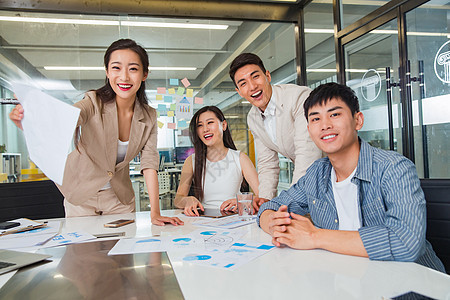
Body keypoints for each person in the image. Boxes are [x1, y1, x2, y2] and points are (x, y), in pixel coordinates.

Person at [257, 82, 445, 272]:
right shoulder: (316, 174)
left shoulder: (393, 168)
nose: (325, 125)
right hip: (345, 281)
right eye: (315, 119)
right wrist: (274, 225)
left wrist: (315, 236)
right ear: (309, 130)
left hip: (410, 286)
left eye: (335, 114)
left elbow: (406, 242)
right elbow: (269, 207)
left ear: (358, 120)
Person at [9, 39, 183, 226]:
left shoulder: (149, 115)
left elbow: (149, 162)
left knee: (121, 253)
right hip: (81, 195)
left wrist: (155, 212)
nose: (124, 77)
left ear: (144, 74)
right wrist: (29, 121)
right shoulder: (93, 101)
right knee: (83, 254)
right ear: (107, 72)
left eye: (133, 69)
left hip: (119, 199)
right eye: (116, 68)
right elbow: (67, 120)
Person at [229, 53, 322, 211]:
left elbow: (307, 155)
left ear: (267, 76)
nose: (252, 86)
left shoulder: (299, 98)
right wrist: (265, 201)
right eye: (243, 83)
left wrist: (289, 203)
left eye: (255, 76)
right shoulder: (253, 117)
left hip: (335, 173)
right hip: (313, 181)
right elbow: (267, 163)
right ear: (239, 91)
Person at [174, 106, 259, 216]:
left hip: (234, 220)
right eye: (200, 125)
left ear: (223, 125)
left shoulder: (240, 158)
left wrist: (242, 201)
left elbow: (263, 196)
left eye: (210, 122)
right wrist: (187, 200)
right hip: (203, 221)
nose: (205, 129)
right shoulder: (191, 161)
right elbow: (178, 199)